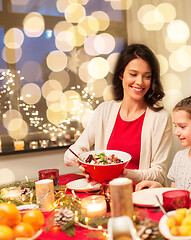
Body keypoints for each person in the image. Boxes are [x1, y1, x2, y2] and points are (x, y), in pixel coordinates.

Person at [64, 44, 172, 185]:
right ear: (121, 75)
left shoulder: (161, 118)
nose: (139, 82)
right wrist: (86, 163)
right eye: (133, 74)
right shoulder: (104, 111)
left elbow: (160, 175)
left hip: (142, 196)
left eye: (147, 76)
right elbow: (69, 156)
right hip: (106, 194)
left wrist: (125, 173)